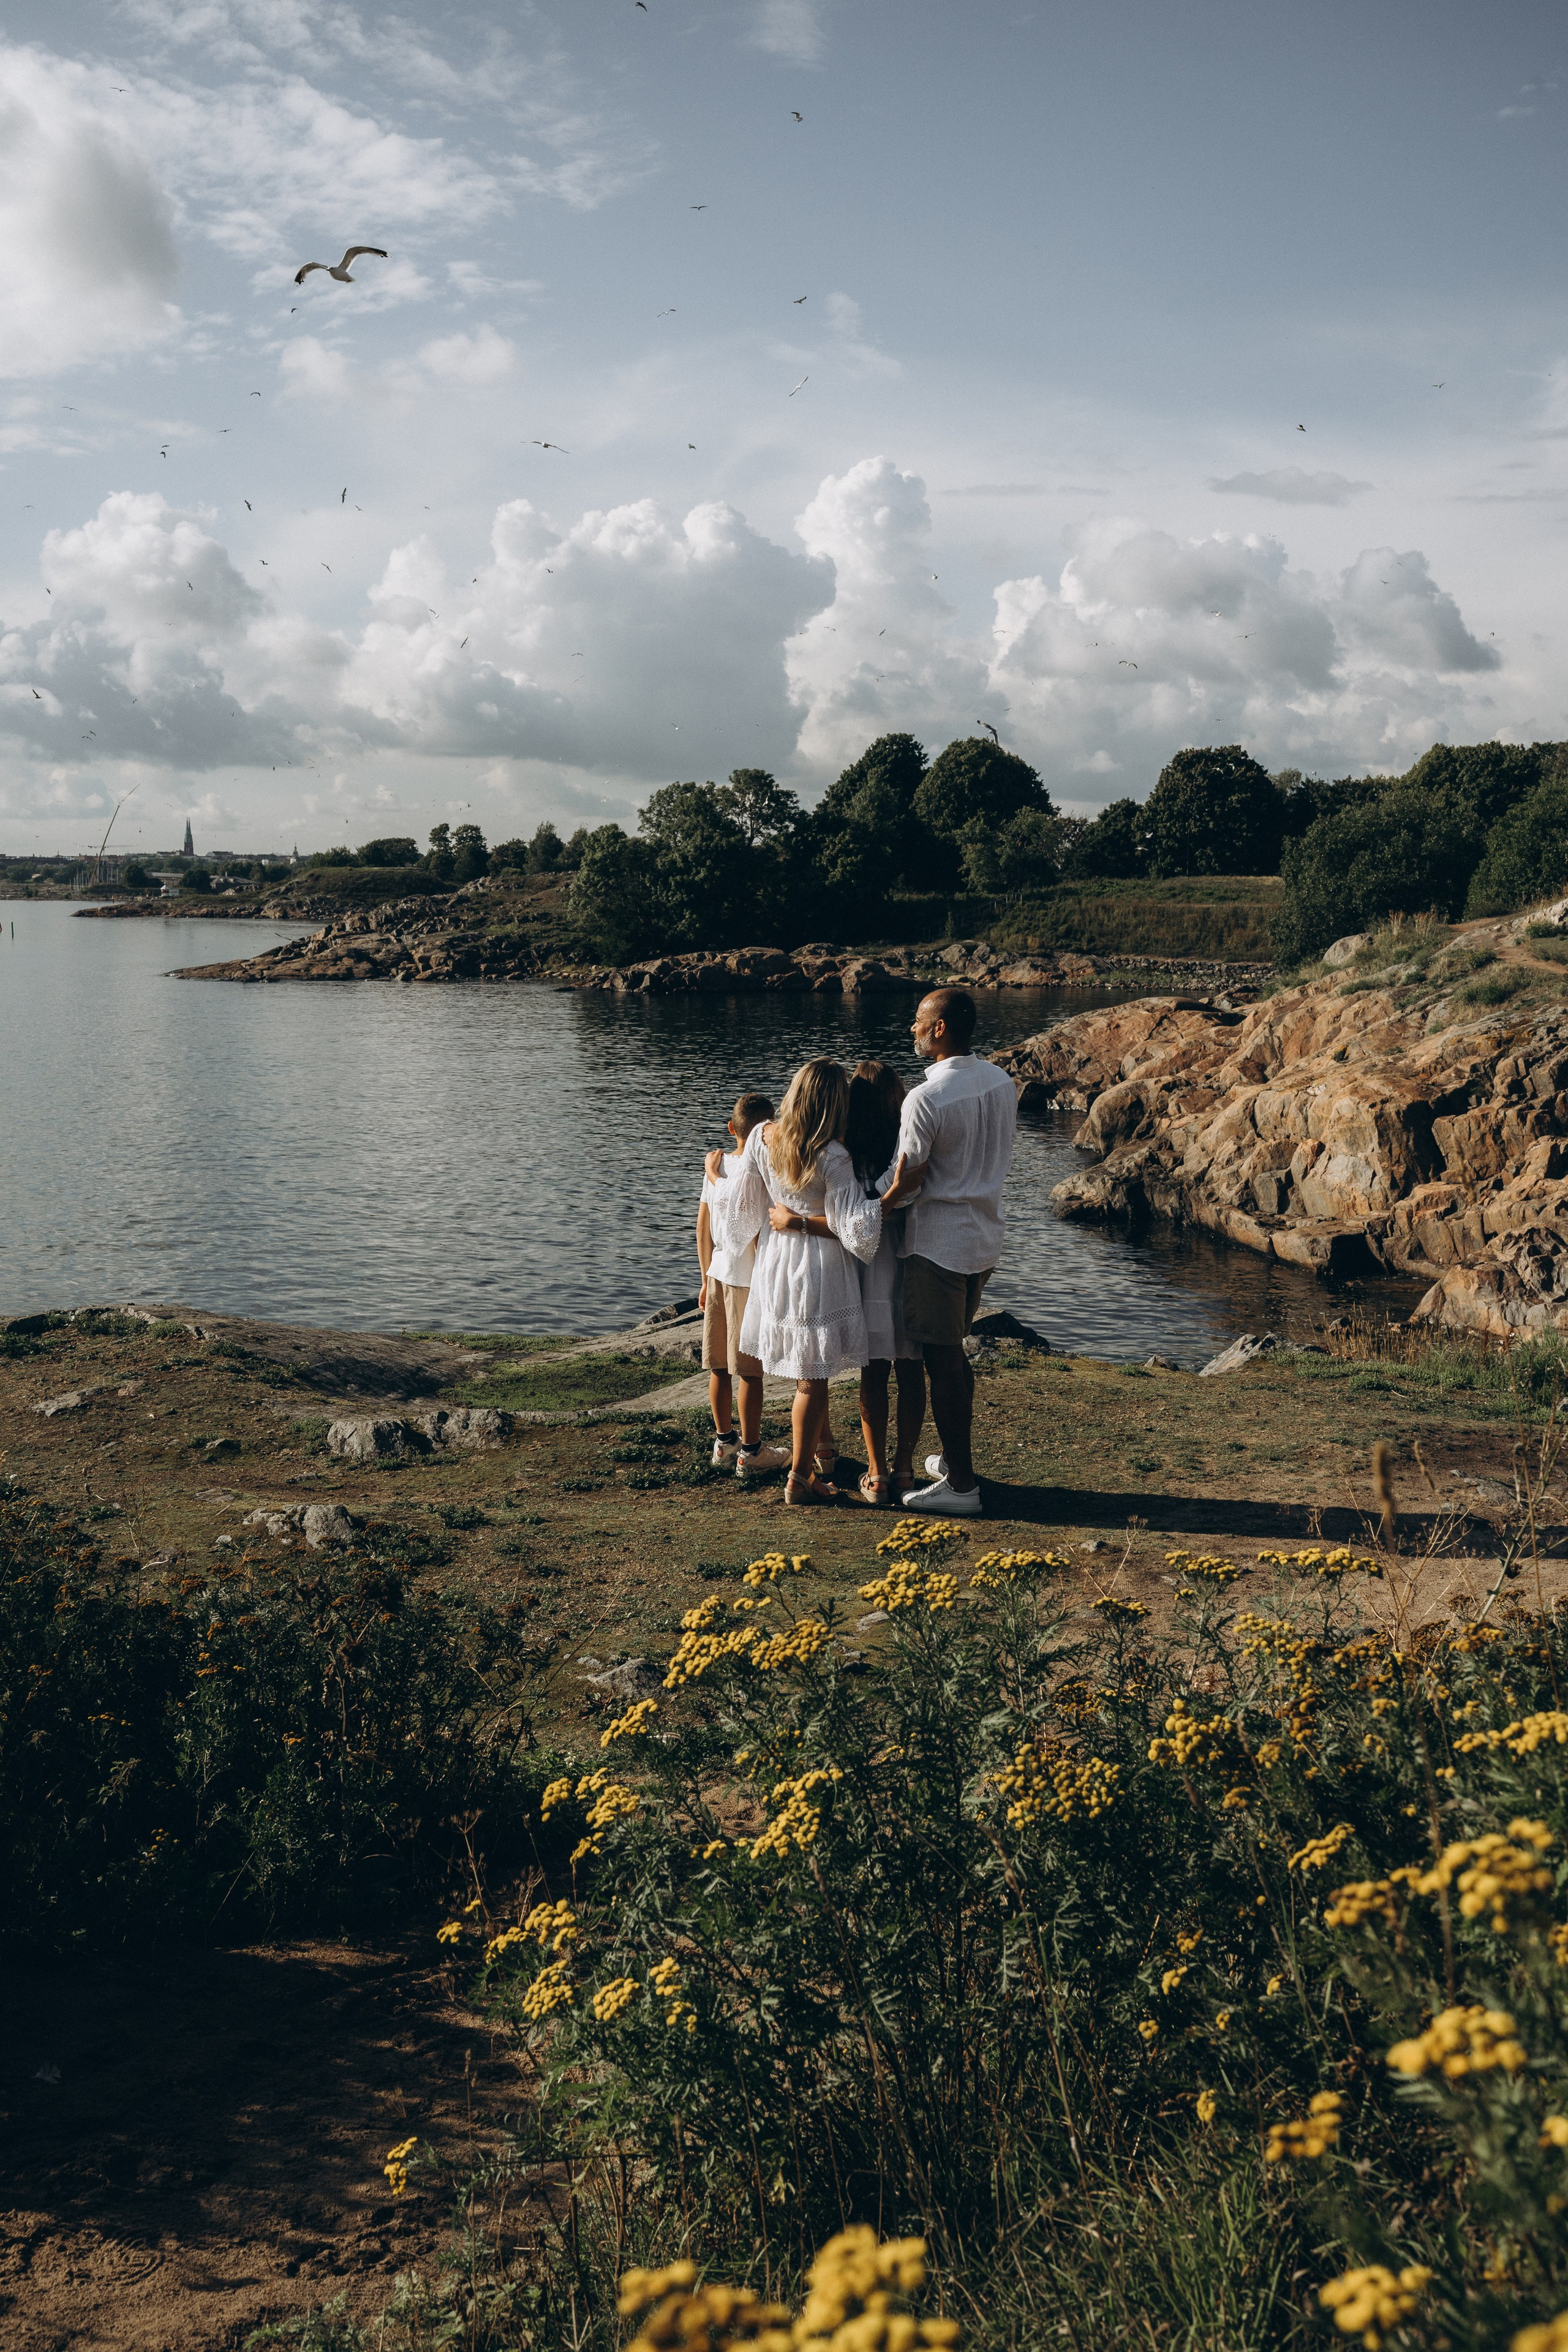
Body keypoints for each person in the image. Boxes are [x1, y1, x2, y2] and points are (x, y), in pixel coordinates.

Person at [707, 1057, 919, 1506]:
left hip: (777, 1262)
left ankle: (810, 1467)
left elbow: (742, 1210)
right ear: (833, 1101)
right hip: (821, 1266)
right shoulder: (833, 1155)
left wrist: (716, 1181)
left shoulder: (764, 1136)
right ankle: (801, 1479)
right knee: (814, 1377)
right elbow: (855, 1227)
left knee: (808, 1375)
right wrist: (893, 1195)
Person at [886, 988, 1017, 1517]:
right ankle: (956, 1460)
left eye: (918, 1021)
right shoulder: (1001, 1082)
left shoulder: (926, 1099)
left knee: (941, 1360)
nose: (911, 1030)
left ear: (939, 1029)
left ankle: (961, 1485)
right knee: (954, 1356)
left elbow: (907, 1180)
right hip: (984, 1236)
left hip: (937, 1244)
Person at [776, 1061, 928, 1506]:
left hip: (868, 1271)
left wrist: (796, 1221)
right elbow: (882, 1209)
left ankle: (877, 1473)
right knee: (912, 1369)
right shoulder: (909, 1147)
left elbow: (851, 1226)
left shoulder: (849, 1153)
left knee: (875, 1373)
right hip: (911, 1260)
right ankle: (903, 1469)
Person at [696, 1090, 790, 1480]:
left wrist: (704, 1278)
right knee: (749, 1370)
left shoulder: (719, 1168)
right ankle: (751, 1451)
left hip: (718, 1272)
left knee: (719, 1365)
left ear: (732, 1128)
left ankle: (724, 1442)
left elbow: (703, 1228)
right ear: (770, 1130)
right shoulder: (769, 1169)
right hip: (747, 1280)